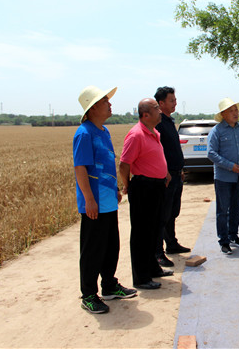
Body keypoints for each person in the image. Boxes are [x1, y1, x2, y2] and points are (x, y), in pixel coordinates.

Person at [73, 85, 137, 314]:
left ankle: (109, 285)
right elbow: (80, 168)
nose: (110, 104)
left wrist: (116, 189)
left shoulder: (104, 131)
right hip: (94, 203)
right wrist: (89, 199)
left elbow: (107, 165)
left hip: (109, 200)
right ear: (92, 108)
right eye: (105, 102)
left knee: (111, 247)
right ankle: (89, 295)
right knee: (92, 250)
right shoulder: (84, 133)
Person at [119, 98, 174, 290]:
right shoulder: (136, 135)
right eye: (156, 108)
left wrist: (164, 173)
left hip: (157, 186)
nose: (160, 111)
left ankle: (153, 268)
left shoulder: (154, 132)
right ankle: (141, 277)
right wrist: (128, 186)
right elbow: (124, 165)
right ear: (145, 115)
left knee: (154, 230)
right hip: (144, 188)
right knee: (142, 234)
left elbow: (155, 157)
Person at [207, 98, 239, 255]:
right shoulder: (217, 131)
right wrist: (229, 166)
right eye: (231, 110)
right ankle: (224, 241)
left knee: (237, 207)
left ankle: (234, 236)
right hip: (223, 178)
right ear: (223, 114)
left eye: (236, 110)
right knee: (223, 210)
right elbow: (211, 153)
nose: (235, 113)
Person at [154, 86, 190, 269]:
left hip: (176, 174)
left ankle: (172, 244)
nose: (175, 102)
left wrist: (180, 169)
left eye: (175, 100)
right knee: (163, 214)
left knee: (173, 212)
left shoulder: (169, 121)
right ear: (161, 103)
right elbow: (158, 152)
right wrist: (166, 172)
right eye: (171, 100)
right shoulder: (158, 123)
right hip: (165, 177)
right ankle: (158, 253)